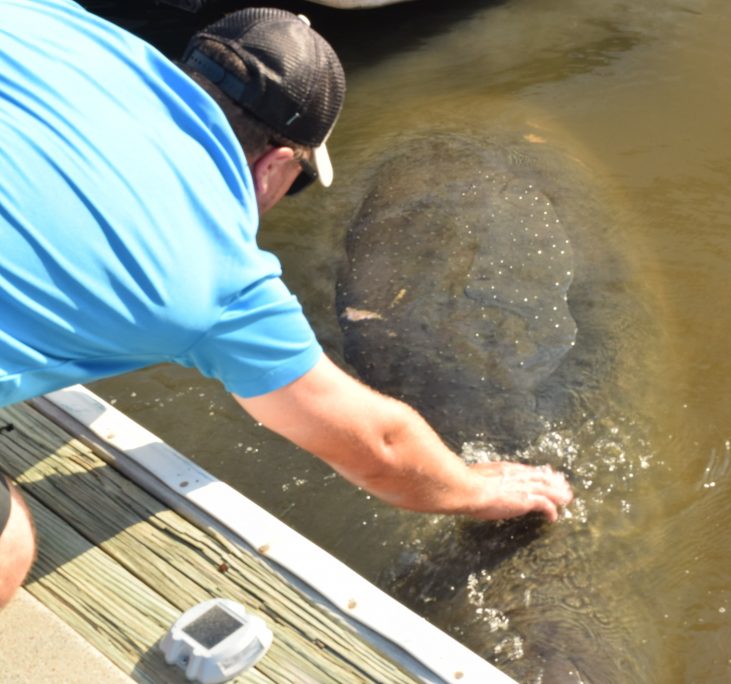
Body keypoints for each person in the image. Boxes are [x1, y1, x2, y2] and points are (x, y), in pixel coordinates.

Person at [0, 1, 573, 609]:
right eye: (295, 183)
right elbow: (379, 445)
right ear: (275, 166)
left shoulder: (52, 19)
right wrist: (475, 489)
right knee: (11, 547)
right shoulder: (214, 276)